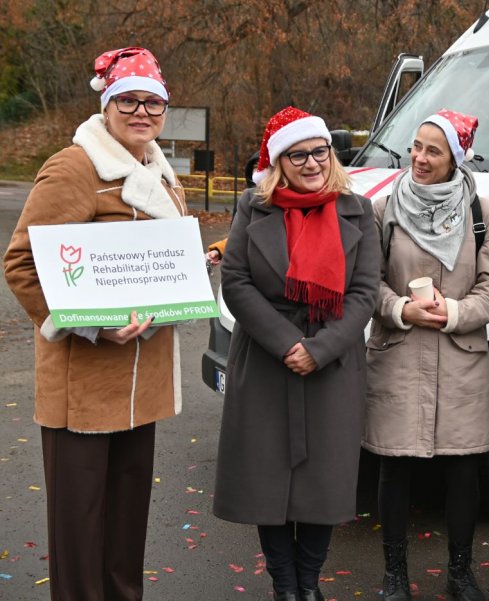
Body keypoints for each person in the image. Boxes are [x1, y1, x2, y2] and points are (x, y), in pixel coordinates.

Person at [3, 47, 185, 600]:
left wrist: (183, 277)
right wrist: (91, 325)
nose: (141, 112)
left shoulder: (161, 171)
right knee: (81, 538)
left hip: (142, 382)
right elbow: (22, 263)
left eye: (152, 102)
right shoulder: (76, 166)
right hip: (83, 385)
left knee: (125, 534)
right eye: (128, 100)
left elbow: (151, 260)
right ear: (106, 105)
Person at [212, 106, 379, 601]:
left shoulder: (358, 209)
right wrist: (287, 344)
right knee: (267, 480)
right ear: (279, 163)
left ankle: (309, 584)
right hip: (266, 358)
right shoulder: (253, 206)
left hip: (333, 361)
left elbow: (364, 293)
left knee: (324, 481)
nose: (312, 163)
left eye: (319, 152)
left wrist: (319, 350)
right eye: (298, 155)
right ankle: (285, 586)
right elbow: (236, 281)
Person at [364, 109, 489, 601]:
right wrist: (400, 308)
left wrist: (454, 312)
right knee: (394, 467)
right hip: (399, 353)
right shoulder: (384, 209)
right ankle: (394, 575)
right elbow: (368, 284)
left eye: (433, 151)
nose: (419, 158)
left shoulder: (481, 212)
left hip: (460, 354)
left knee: (463, 469)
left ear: (455, 159)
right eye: (416, 147)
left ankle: (461, 573)